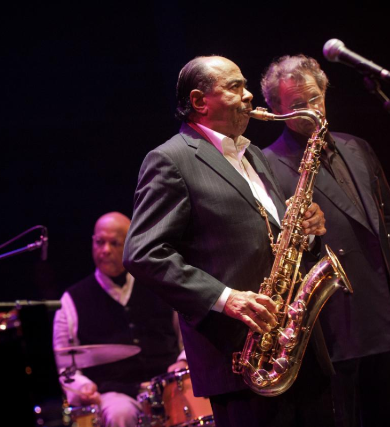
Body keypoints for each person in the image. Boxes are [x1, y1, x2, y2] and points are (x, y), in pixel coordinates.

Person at [122, 55, 333, 427]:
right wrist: (225, 298)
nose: (249, 95)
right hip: (241, 356)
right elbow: (143, 253)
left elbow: (271, 236)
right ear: (200, 101)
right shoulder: (170, 159)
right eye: (235, 87)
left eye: (245, 85)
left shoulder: (252, 154)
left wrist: (307, 229)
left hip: (295, 348)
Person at [260, 54, 390, 427]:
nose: (312, 110)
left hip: (381, 311)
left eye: (315, 98)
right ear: (276, 110)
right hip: (330, 324)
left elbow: (389, 223)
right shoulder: (265, 164)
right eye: (298, 104)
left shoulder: (357, 146)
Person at [52, 211, 187, 427]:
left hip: (168, 385)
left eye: (114, 243)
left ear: (130, 243)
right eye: (99, 242)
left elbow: (187, 334)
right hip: (113, 394)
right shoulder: (71, 300)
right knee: (119, 414)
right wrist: (82, 387)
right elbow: (64, 363)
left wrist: (183, 361)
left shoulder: (158, 283)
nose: (105, 250)